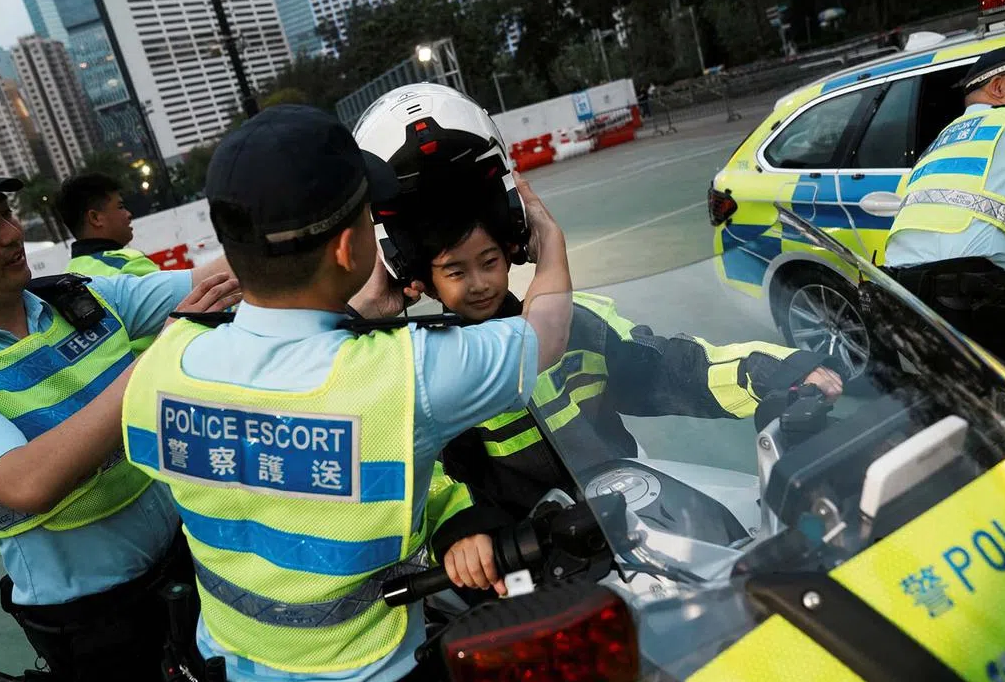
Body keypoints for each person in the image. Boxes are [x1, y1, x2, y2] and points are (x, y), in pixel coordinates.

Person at [120, 104, 572, 682]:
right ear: (347, 246)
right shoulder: (405, 374)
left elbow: (274, 433)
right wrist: (550, 244)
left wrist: (361, 318)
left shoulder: (164, 365)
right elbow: (544, 337)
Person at [354, 83, 844, 521]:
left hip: (627, 525)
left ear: (514, 239)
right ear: (412, 268)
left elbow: (676, 367)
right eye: (456, 271)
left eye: (488, 260)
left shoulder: (581, 324)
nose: (479, 283)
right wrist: (462, 529)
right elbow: (406, 471)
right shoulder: (416, 370)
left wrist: (776, 370)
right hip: (520, 573)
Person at [0, 145, 241, 682]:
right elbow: (28, 481)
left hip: (191, 559)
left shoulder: (78, 298)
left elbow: (214, 282)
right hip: (96, 619)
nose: (10, 234)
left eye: (6, 213)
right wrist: (165, 354)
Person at [884, 44, 1005, 383]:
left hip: (905, 300)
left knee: (979, 412)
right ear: (998, 88)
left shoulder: (943, 138)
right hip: (967, 298)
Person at [60, 174, 162, 354]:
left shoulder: (67, 277)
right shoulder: (124, 263)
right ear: (95, 218)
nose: (129, 214)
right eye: (120, 207)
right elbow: (188, 307)